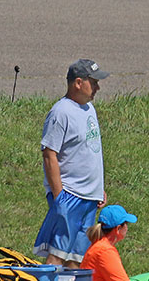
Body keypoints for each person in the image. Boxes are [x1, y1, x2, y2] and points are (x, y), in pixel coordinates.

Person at [33, 58, 110, 268]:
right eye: (93, 82)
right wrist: (59, 197)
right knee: (57, 254)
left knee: (77, 258)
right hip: (70, 195)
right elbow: (49, 154)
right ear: (78, 83)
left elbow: (89, 153)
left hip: (88, 198)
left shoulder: (88, 109)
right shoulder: (61, 113)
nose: (97, 87)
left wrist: (97, 189)